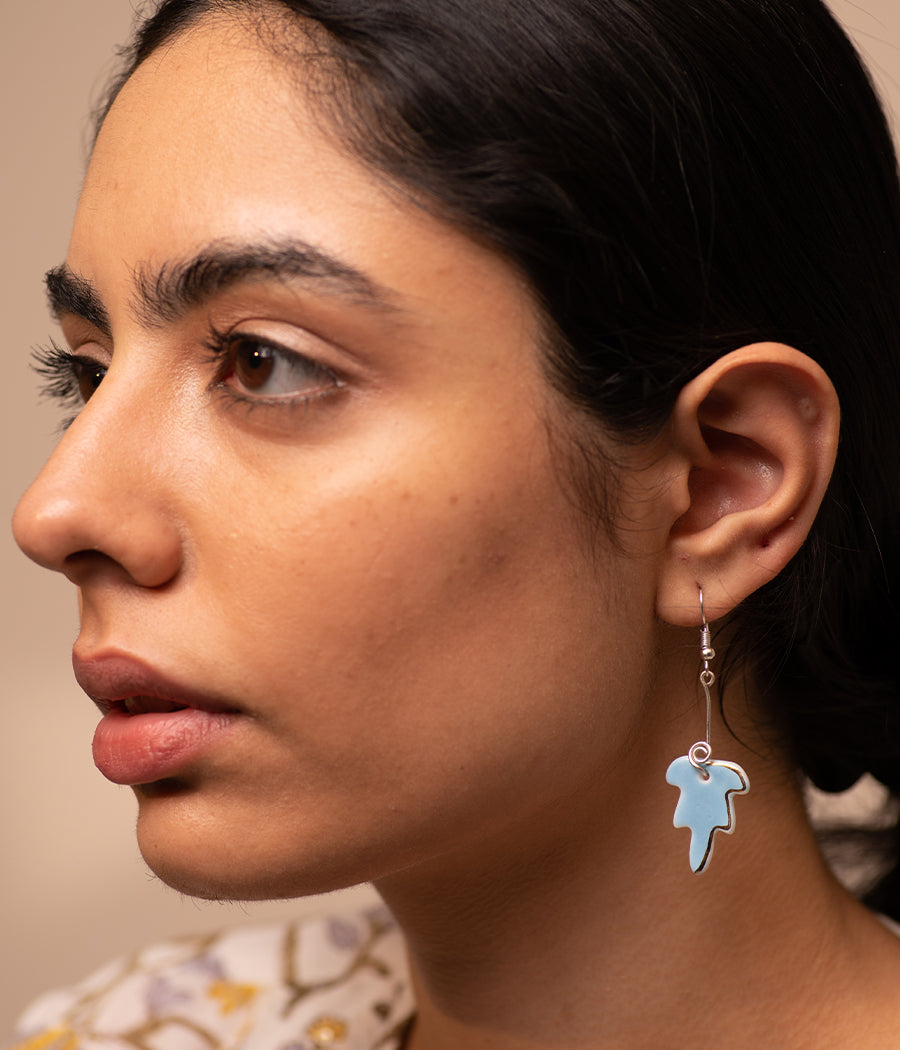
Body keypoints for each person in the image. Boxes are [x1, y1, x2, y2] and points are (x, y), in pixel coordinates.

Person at [10, 0, 900, 1046]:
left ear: (722, 486)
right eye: (87, 371)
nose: (55, 510)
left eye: (265, 361)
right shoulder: (121, 1034)